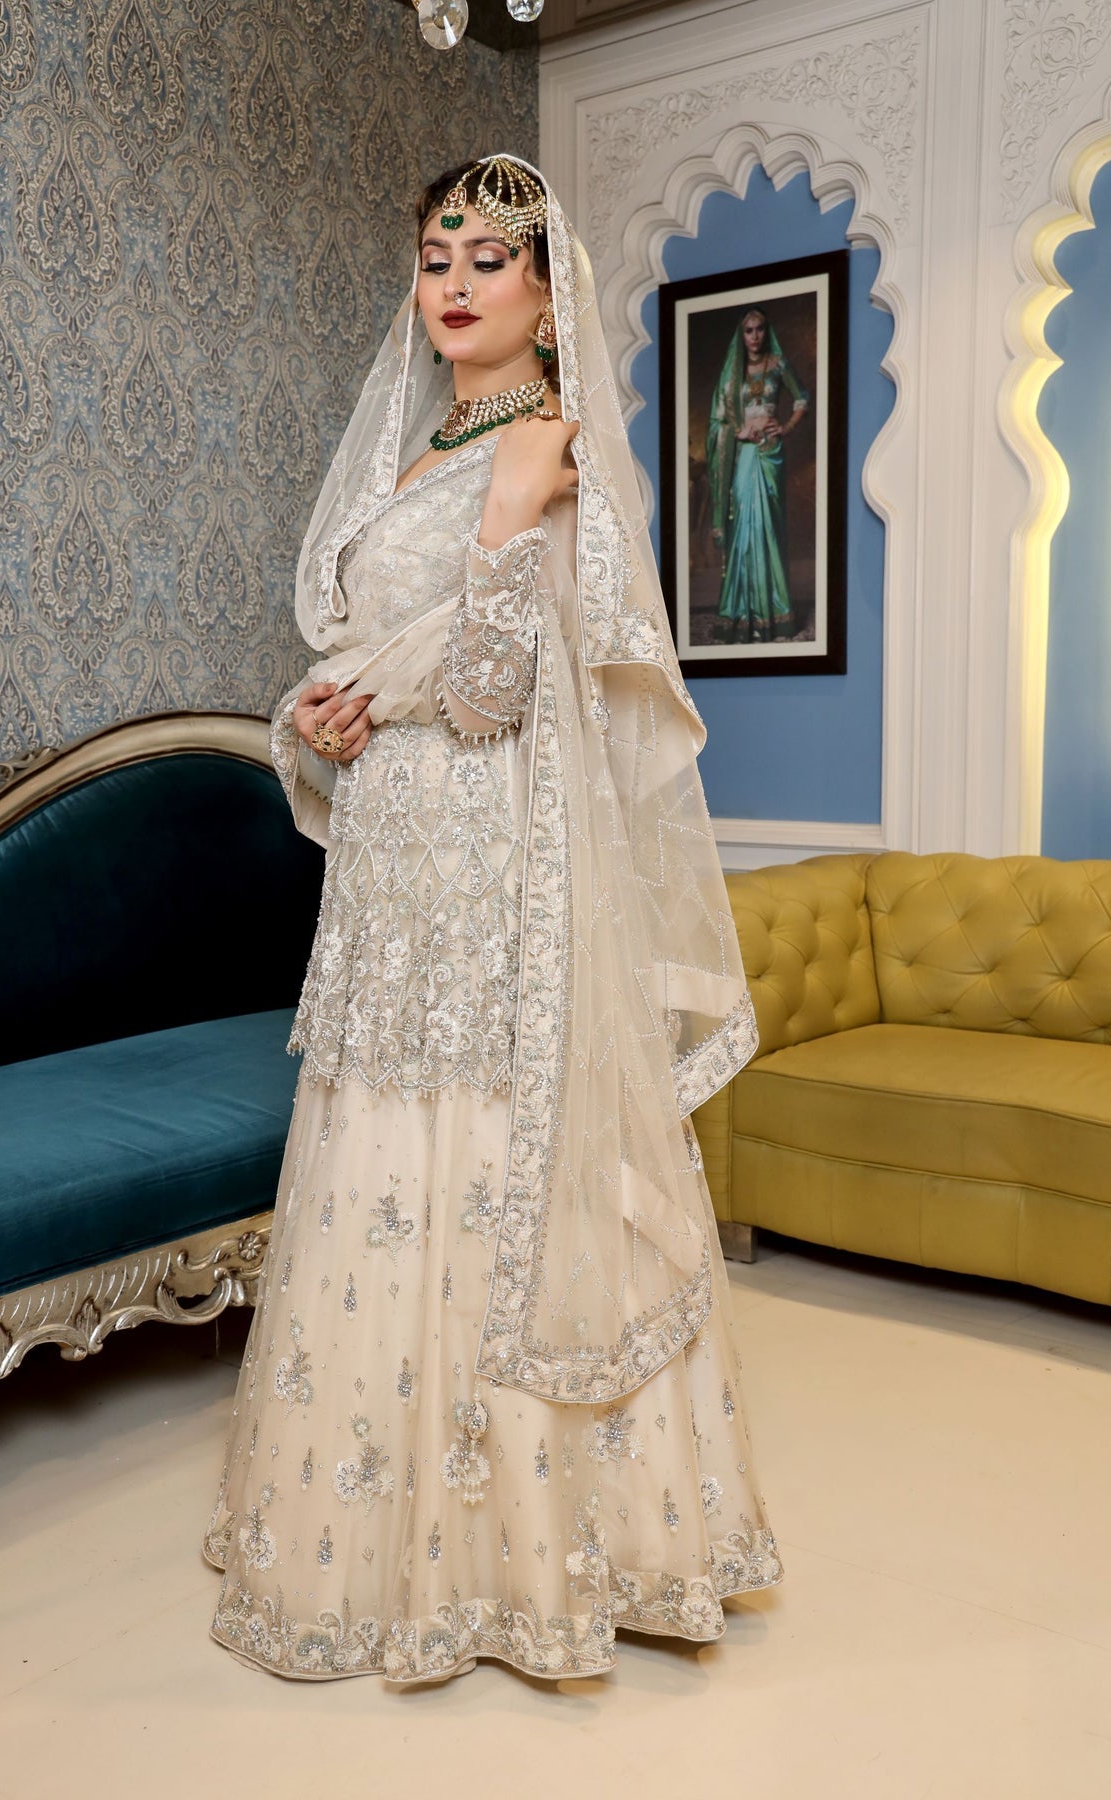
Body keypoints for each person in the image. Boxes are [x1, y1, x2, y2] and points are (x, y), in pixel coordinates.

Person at [203, 154, 782, 1685]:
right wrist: (326, 712)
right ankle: (374, 1535)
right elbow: (390, 670)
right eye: (434, 257)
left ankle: (529, 1559)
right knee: (384, 1148)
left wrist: (507, 524)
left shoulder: (547, 451)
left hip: (486, 865)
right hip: (392, 866)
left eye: (487, 259)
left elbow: (484, 694)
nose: (453, 284)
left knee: (482, 1142)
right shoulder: (416, 454)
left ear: (545, 290)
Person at [706, 307, 809, 642]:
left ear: (766, 331)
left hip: (769, 453)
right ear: (742, 334)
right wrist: (737, 432)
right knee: (743, 528)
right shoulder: (732, 373)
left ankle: (775, 614)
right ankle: (741, 613)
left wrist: (786, 427)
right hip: (743, 455)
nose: (754, 336)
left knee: (769, 529)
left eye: (759, 329)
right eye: (748, 330)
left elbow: (802, 398)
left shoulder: (778, 365)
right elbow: (718, 422)